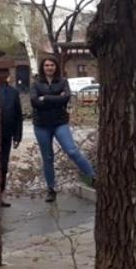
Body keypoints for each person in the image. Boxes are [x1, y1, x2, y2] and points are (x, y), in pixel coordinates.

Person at [31, 56, 95, 203]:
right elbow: (34, 102)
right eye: (46, 65)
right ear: (42, 67)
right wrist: (54, 98)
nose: (49, 68)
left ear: (56, 67)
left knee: (72, 150)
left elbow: (66, 98)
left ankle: (93, 177)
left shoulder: (63, 82)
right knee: (47, 157)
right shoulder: (36, 84)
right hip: (41, 125)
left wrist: (45, 98)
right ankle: (51, 189)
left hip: (60, 123)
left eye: (52, 65)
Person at [0, 71, 23, 207]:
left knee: (3, 166)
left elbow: (18, 115)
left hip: (6, 134)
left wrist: (17, 135)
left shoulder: (13, 92)